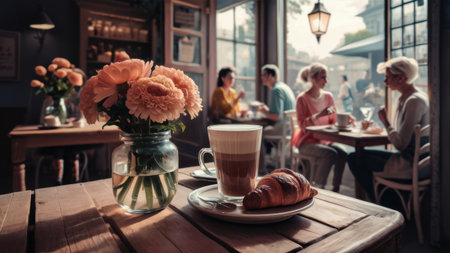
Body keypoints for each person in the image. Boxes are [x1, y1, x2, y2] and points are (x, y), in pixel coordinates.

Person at [347, 56, 429, 201]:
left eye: (387, 77)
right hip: (410, 159)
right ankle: (385, 200)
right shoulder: (407, 98)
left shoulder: (414, 101)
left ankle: (383, 203)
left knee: (355, 158)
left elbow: (400, 144)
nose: (385, 82)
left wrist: (385, 121)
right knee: (359, 155)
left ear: (401, 78)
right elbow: (401, 136)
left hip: (412, 165)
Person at [293, 63, 348, 192]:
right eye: (323, 77)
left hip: (324, 141)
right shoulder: (302, 99)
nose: (326, 81)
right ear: (313, 78)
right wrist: (318, 115)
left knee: (343, 153)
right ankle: (318, 189)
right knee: (330, 153)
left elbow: (333, 121)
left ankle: (336, 189)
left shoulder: (328, 97)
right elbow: (302, 125)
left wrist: (346, 120)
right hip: (306, 142)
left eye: (326, 77)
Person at [255, 64, 296, 173]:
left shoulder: (276, 90)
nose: (261, 77)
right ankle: (269, 163)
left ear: (271, 76)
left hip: (282, 128)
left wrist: (263, 111)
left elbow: (277, 117)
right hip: (290, 128)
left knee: (258, 134)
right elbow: (280, 112)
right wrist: (267, 110)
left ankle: (261, 169)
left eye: (264, 75)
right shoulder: (284, 87)